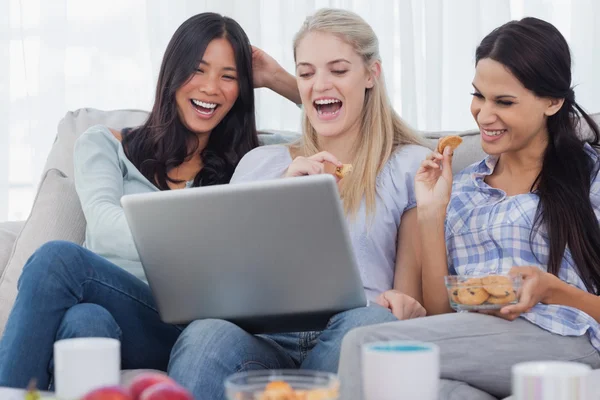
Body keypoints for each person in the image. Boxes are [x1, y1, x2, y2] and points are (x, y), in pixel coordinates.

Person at [0, 12, 300, 390]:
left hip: (198, 331)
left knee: (56, 259)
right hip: (125, 317)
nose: (211, 88)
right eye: (199, 69)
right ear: (173, 73)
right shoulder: (104, 144)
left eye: (228, 76)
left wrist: (277, 80)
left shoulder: (256, 159)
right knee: (85, 322)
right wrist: (209, 237)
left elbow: (352, 126)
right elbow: (107, 231)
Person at [167, 8, 430, 399]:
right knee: (206, 334)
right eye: (306, 74)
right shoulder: (261, 163)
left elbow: (404, 302)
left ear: (371, 75)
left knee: (369, 323)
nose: (319, 85)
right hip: (266, 340)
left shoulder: (408, 165)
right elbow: (228, 280)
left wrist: (401, 307)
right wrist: (283, 197)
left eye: (338, 71)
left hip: (350, 331)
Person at [338, 17, 600, 400]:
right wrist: (431, 213)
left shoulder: (589, 176)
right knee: (428, 389)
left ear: (552, 101)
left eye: (504, 102)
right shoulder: (461, 189)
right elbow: (443, 316)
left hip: (565, 335)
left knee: (369, 348)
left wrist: (551, 290)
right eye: (479, 96)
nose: (484, 115)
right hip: (481, 344)